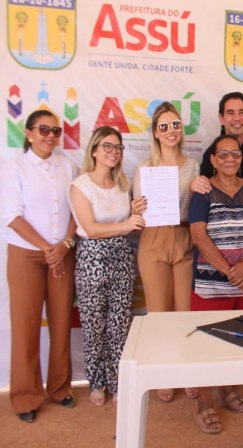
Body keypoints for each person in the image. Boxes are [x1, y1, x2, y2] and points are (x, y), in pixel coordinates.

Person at [189, 134, 243, 435]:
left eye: (234, 154)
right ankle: (204, 403)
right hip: (213, 285)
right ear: (212, 159)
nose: (229, 159)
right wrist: (229, 271)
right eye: (222, 154)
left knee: (241, 339)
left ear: (241, 158)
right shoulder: (203, 191)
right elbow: (198, 236)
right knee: (208, 345)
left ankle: (228, 389)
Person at [2, 110, 78, 423]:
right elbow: (12, 215)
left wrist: (64, 245)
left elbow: (77, 210)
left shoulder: (68, 165)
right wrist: (47, 247)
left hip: (62, 253)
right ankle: (25, 397)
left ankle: (60, 388)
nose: (50, 135)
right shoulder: (14, 165)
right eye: (43, 129)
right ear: (29, 133)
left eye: (55, 130)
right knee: (26, 325)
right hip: (26, 255)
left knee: (61, 322)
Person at [69, 126, 145, 405]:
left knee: (120, 324)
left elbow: (131, 228)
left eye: (118, 147)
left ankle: (117, 381)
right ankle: (96, 382)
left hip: (122, 257)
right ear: (94, 150)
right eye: (108, 147)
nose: (114, 152)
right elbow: (90, 227)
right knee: (94, 325)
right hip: (92, 259)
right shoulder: (80, 186)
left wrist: (136, 216)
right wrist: (126, 224)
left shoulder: (124, 185)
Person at [132, 102, 200, 402]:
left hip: (184, 235)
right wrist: (136, 209)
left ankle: (185, 370)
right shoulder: (143, 169)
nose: (171, 131)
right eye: (164, 127)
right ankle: (163, 372)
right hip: (154, 238)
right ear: (155, 133)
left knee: (185, 313)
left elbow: (196, 205)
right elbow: (138, 212)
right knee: (159, 313)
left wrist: (201, 187)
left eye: (175, 125)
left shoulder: (193, 166)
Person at [197, 92, 243, 272]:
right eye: (230, 113)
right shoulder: (211, 155)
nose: (237, 118)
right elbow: (204, 197)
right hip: (223, 241)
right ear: (221, 118)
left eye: (241, 112)